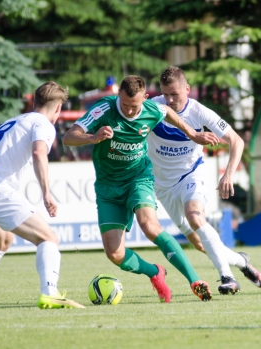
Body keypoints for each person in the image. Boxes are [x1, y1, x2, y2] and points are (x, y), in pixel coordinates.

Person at [63, 75, 220, 302]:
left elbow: (168, 113)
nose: (128, 110)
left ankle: (195, 280)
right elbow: (69, 137)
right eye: (124, 105)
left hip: (139, 178)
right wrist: (93, 137)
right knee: (115, 254)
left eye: (134, 106)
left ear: (145, 98)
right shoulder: (103, 109)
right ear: (118, 96)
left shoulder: (151, 109)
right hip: (108, 187)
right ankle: (155, 272)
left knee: (150, 226)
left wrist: (193, 134)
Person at [0, 81, 84, 312]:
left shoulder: (14, 120)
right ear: (57, 109)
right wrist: (46, 192)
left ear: (34, 102)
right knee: (48, 238)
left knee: (2, 240)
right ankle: (50, 294)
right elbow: (38, 152)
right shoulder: (43, 124)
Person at [147, 66, 261, 295]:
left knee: (195, 217)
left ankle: (227, 276)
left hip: (191, 174)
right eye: (166, 94)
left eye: (175, 94)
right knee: (200, 244)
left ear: (187, 89)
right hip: (162, 185)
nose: (170, 100)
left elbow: (236, 140)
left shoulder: (199, 112)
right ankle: (242, 262)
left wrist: (229, 173)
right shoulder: (154, 107)